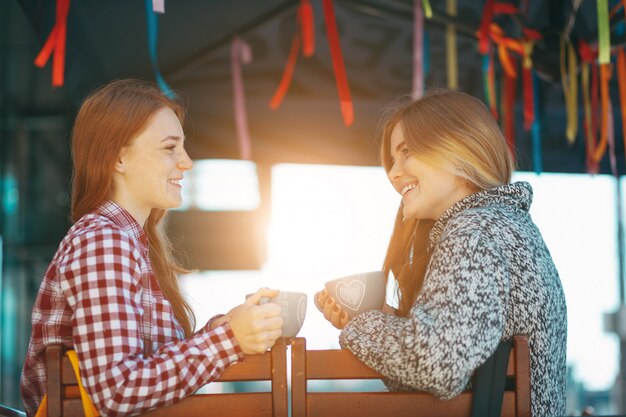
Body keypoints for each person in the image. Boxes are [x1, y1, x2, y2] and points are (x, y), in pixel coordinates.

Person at [20, 79, 283, 417]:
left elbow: (146, 369)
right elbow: (117, 390)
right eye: (170, 148)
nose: (187, 162)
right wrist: (230, 339)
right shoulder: (104, 242)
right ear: (118, 158)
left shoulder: (125, 242)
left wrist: (223, 328)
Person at [316, 90, 567, 417]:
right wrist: (381, 318)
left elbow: (438, 366)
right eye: (393, 160)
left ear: (458, 148)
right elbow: (450, 381)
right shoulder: (504, 226)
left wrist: (363, 327)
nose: (393, 173)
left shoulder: (473, 234)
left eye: (405, 152)